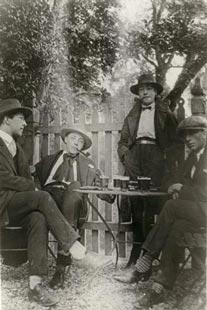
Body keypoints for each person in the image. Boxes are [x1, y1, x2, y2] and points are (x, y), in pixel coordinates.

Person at [0, 98, 87, 307]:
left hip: (12, 201)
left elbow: (26, 178)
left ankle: (35, 286)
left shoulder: (16, 148)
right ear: (6, 119)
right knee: (42, 196)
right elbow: (2, 177)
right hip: (2, 202)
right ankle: (72, 243)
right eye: (21, 118)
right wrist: (31, 188)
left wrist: (29, 185)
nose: (24, 123)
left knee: (38, 218)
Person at [115, 115, 207, 308]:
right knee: (176, 228)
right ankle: (158, 289)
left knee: (172, 208)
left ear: (204, 133)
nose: (187, 139)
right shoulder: (192, 157)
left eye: (192, 133)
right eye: (185, 135)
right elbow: (172, 178)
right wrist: (174, 186)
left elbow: (203, 193)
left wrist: (180, 189)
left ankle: (144, 262)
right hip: (195, 215)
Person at [35, 126, 114, 289]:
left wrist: (111, 193)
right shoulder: (49, 160)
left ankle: (60, 270)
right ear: (65, 139)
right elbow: (34, 177)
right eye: (73, 138)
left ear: (82, 146)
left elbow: (101, 187)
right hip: (48, 199)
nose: (76, 143)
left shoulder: (88, 165)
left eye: (80, 141)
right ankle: (66, 259)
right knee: (50, 196)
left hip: (72, 201)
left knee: (75, 186)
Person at [117, 73, 178, 267]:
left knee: (153, 203)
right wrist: (126, 156)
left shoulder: (166, 114)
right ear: (138, 93)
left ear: (155, 92)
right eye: (142, 89)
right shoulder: (132, 115)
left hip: (156, 158)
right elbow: (123, 141)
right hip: (136, 156)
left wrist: (166, 160)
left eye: (149, 88)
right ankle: (136, 250)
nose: (145, 92)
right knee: (136, 203)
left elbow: (175, 143)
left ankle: (148, 255)